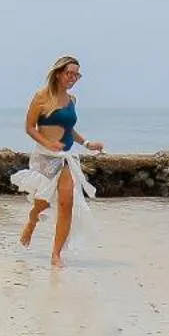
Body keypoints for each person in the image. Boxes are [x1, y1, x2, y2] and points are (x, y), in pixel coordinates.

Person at [12, 55, 104, 268]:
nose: (73, 78)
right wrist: (48, 143)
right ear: (58, 73)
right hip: (45, 156)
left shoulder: (72, 101)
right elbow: (29, 127)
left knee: (66, 203)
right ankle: (33, 219)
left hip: (65, 158)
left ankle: (56, 254)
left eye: (76, 74)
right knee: (42, 202)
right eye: (69, 73)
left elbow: (69, 129)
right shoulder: (41, 97)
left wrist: (87, 143)